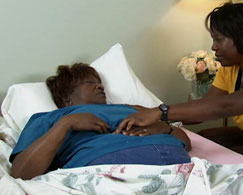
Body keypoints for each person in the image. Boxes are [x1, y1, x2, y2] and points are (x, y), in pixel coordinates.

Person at [115, 2, 243, 175]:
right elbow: (206, 105)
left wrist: (160, 112)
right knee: (205, 137)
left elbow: (226, 106)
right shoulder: (231, 68)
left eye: (219, 39)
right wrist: (161, 123)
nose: (213, 47)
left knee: (231, 166)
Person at [9, 63, 191, 180]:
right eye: (89, 83)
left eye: (100, 82)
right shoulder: (50, 119)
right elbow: (21, 172)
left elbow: (187, 142)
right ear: (66, 99)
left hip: (177, 161)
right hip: (108, 166)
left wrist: (161, 128)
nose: (100, 86)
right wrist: (66, 124)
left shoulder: (133, 109)